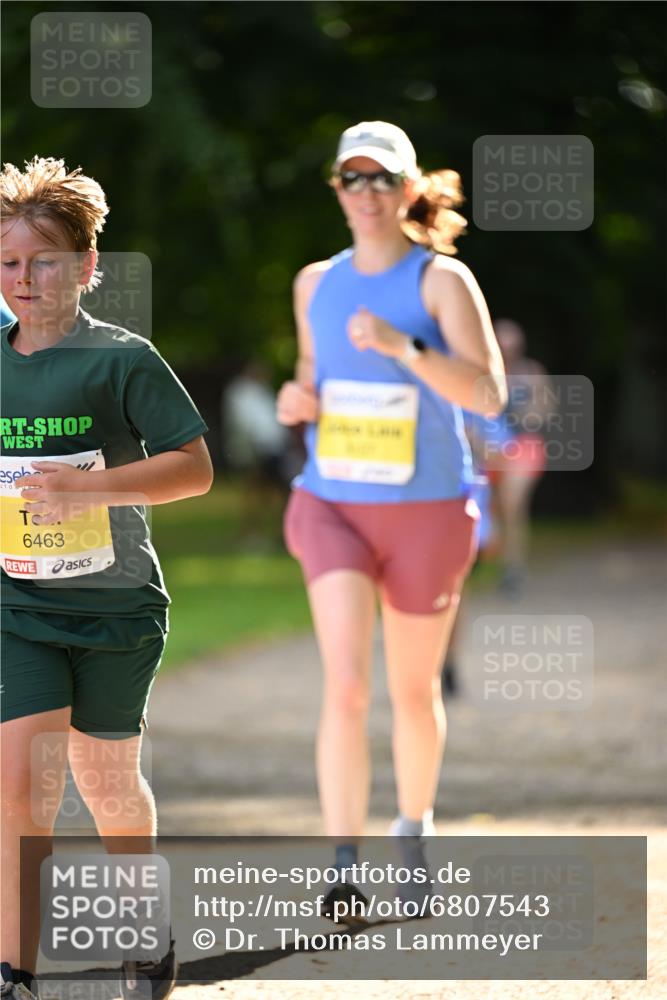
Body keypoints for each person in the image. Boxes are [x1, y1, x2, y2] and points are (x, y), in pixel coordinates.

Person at [277, 122, 507, 917]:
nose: (368, 191)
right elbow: (311, 375)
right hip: (332, 502)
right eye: (353, 176)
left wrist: (405, 346)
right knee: (344, 685)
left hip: (427, 511)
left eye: (384, 178)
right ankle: (343, 861)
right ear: (336, 188)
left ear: (409, 191)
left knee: (411, 692)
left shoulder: (441, 281)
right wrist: (294, 397)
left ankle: (413, 829)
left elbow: (487, 395)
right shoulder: (313, 282)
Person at [0, 157, 213, 999]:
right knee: (22, 788)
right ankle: (15, 971)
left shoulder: (123, 360)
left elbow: (194, 468)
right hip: (16, 603)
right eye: (8, 263)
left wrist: (86, 488)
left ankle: (145, 932)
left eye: (42, 261)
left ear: (87, 267)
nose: (24, 279)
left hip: (116, 607)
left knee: (107, 784)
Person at [469, 319, 552, 598]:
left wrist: (520, 410)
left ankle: (513, 569)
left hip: (524, 446)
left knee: (511, 505)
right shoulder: (478, 372)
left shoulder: (532, 374)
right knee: (487, 505)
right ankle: (483, 560)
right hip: (488, 447)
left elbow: (542, 413)